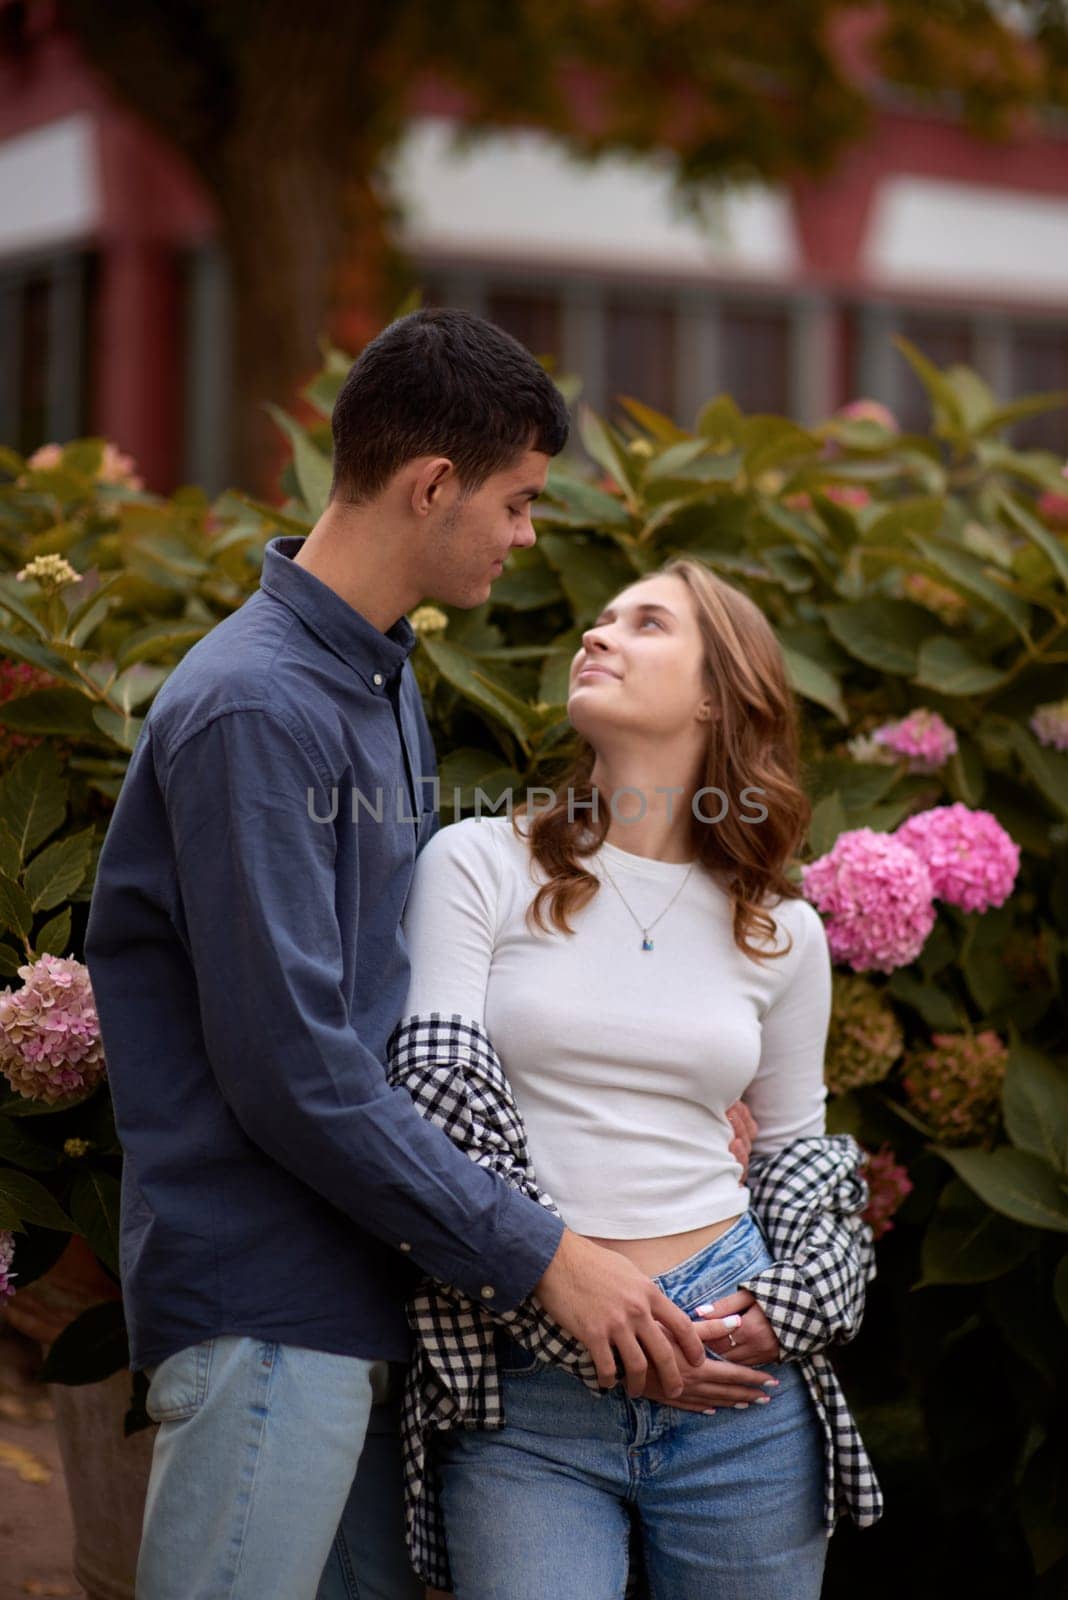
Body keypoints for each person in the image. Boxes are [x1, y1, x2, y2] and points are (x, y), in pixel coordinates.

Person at [83, 309, 762, 1600]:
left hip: (353, 1304)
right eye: (516, 503)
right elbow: (298, 1071)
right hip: (265, 1313)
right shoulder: (257, 707)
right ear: (433, 484)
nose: (525, 538)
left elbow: (408, 1018)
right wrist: (547, 1256)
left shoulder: (375, 681)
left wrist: (648, 1097)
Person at [391, 557, 883, 1599]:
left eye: (645, 623)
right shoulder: (479, 862)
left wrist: (785, 1309)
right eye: (599, 617)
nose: (596, 635)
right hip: (527, 1379)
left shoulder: (783, 930)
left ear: (716, 694)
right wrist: (561, 1286)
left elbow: (800, 1157)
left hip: (737, 1378)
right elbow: (434, 1110)